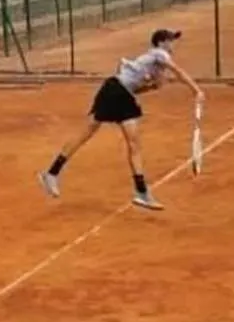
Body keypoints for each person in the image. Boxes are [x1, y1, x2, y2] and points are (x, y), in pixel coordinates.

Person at [39, 28, 204, 211]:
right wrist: (196, 90)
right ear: (161, 43)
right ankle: (51, 173)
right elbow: (178, 71)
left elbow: (137, 84)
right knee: (94, 134)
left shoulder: (157, 66)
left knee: (125, 141)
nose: (174, 43)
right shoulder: (159, 54)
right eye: (171, 40)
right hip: (116, 90)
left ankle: (140, 192)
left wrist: (152, 85)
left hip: (119, 91)